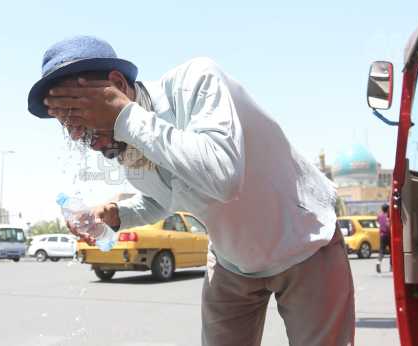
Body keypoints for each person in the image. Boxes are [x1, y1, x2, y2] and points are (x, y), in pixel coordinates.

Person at [28, 36, 355, 346]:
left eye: (79, 115)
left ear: (116, 85)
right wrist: (117, 215)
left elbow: (222, 178)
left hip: (303, 245)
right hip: (232, 262)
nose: (76, 136)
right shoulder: (127, 138)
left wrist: (125, 115)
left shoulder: (195, 83)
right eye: (66, 124)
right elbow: (166, 197)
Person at [376, 203, 391, 273]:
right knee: (392, 251)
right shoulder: (388, 216)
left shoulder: (379, 216)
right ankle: (392, 266)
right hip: (389, 235)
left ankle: (378, 262)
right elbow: (389, 225)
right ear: (387, 209)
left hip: (382, 235)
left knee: (382, 250)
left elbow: (377, 223)